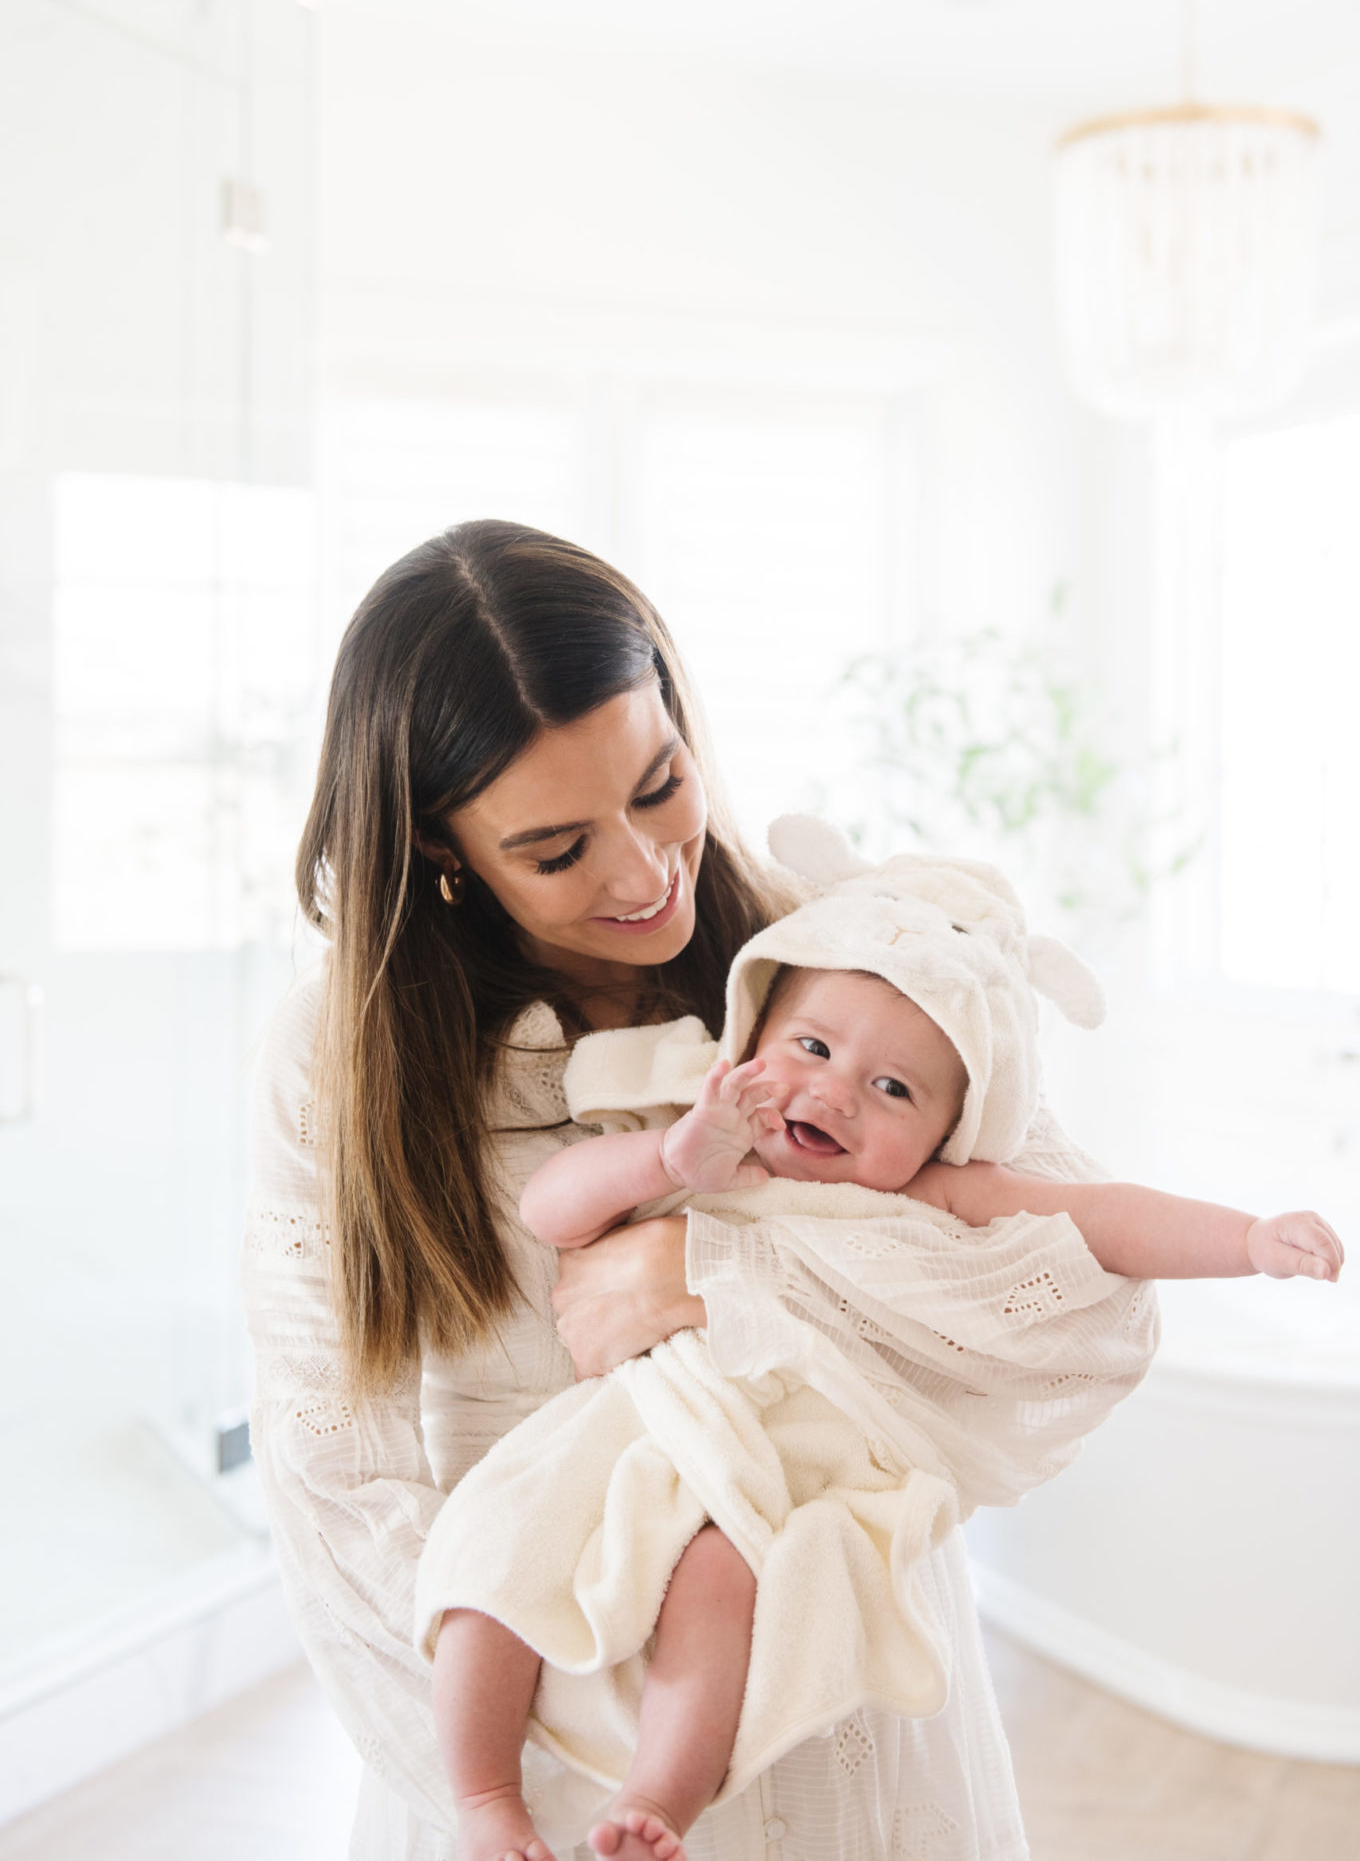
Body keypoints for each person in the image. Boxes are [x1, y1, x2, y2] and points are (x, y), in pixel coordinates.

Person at [243, 519, 1113, 1861]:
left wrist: (723, 1278)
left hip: (831, 1687)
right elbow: (332, 1469)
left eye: (660, 784)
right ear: (442, 845)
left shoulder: (846, 954)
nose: (645, 872)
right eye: (555, 848)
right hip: (515, 1707)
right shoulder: (338, 1057)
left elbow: (1081, 1302)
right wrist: (540, 1769)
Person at [416, 824, 1343, 1861]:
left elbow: (1102, 1217)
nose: (834, 1093)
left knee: (723, 1578)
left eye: (893, 1089)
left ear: (949, 1130)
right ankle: (482, 1794)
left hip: (798, 1464)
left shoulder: (937, 1193)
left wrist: (1250, 1239)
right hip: (650, 1422)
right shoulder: (712, 1141)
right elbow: (553, 1210)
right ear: (753, 1033)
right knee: (499, 1534)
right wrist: (669, 1157)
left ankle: (658, 1802)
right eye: (811, 1048)